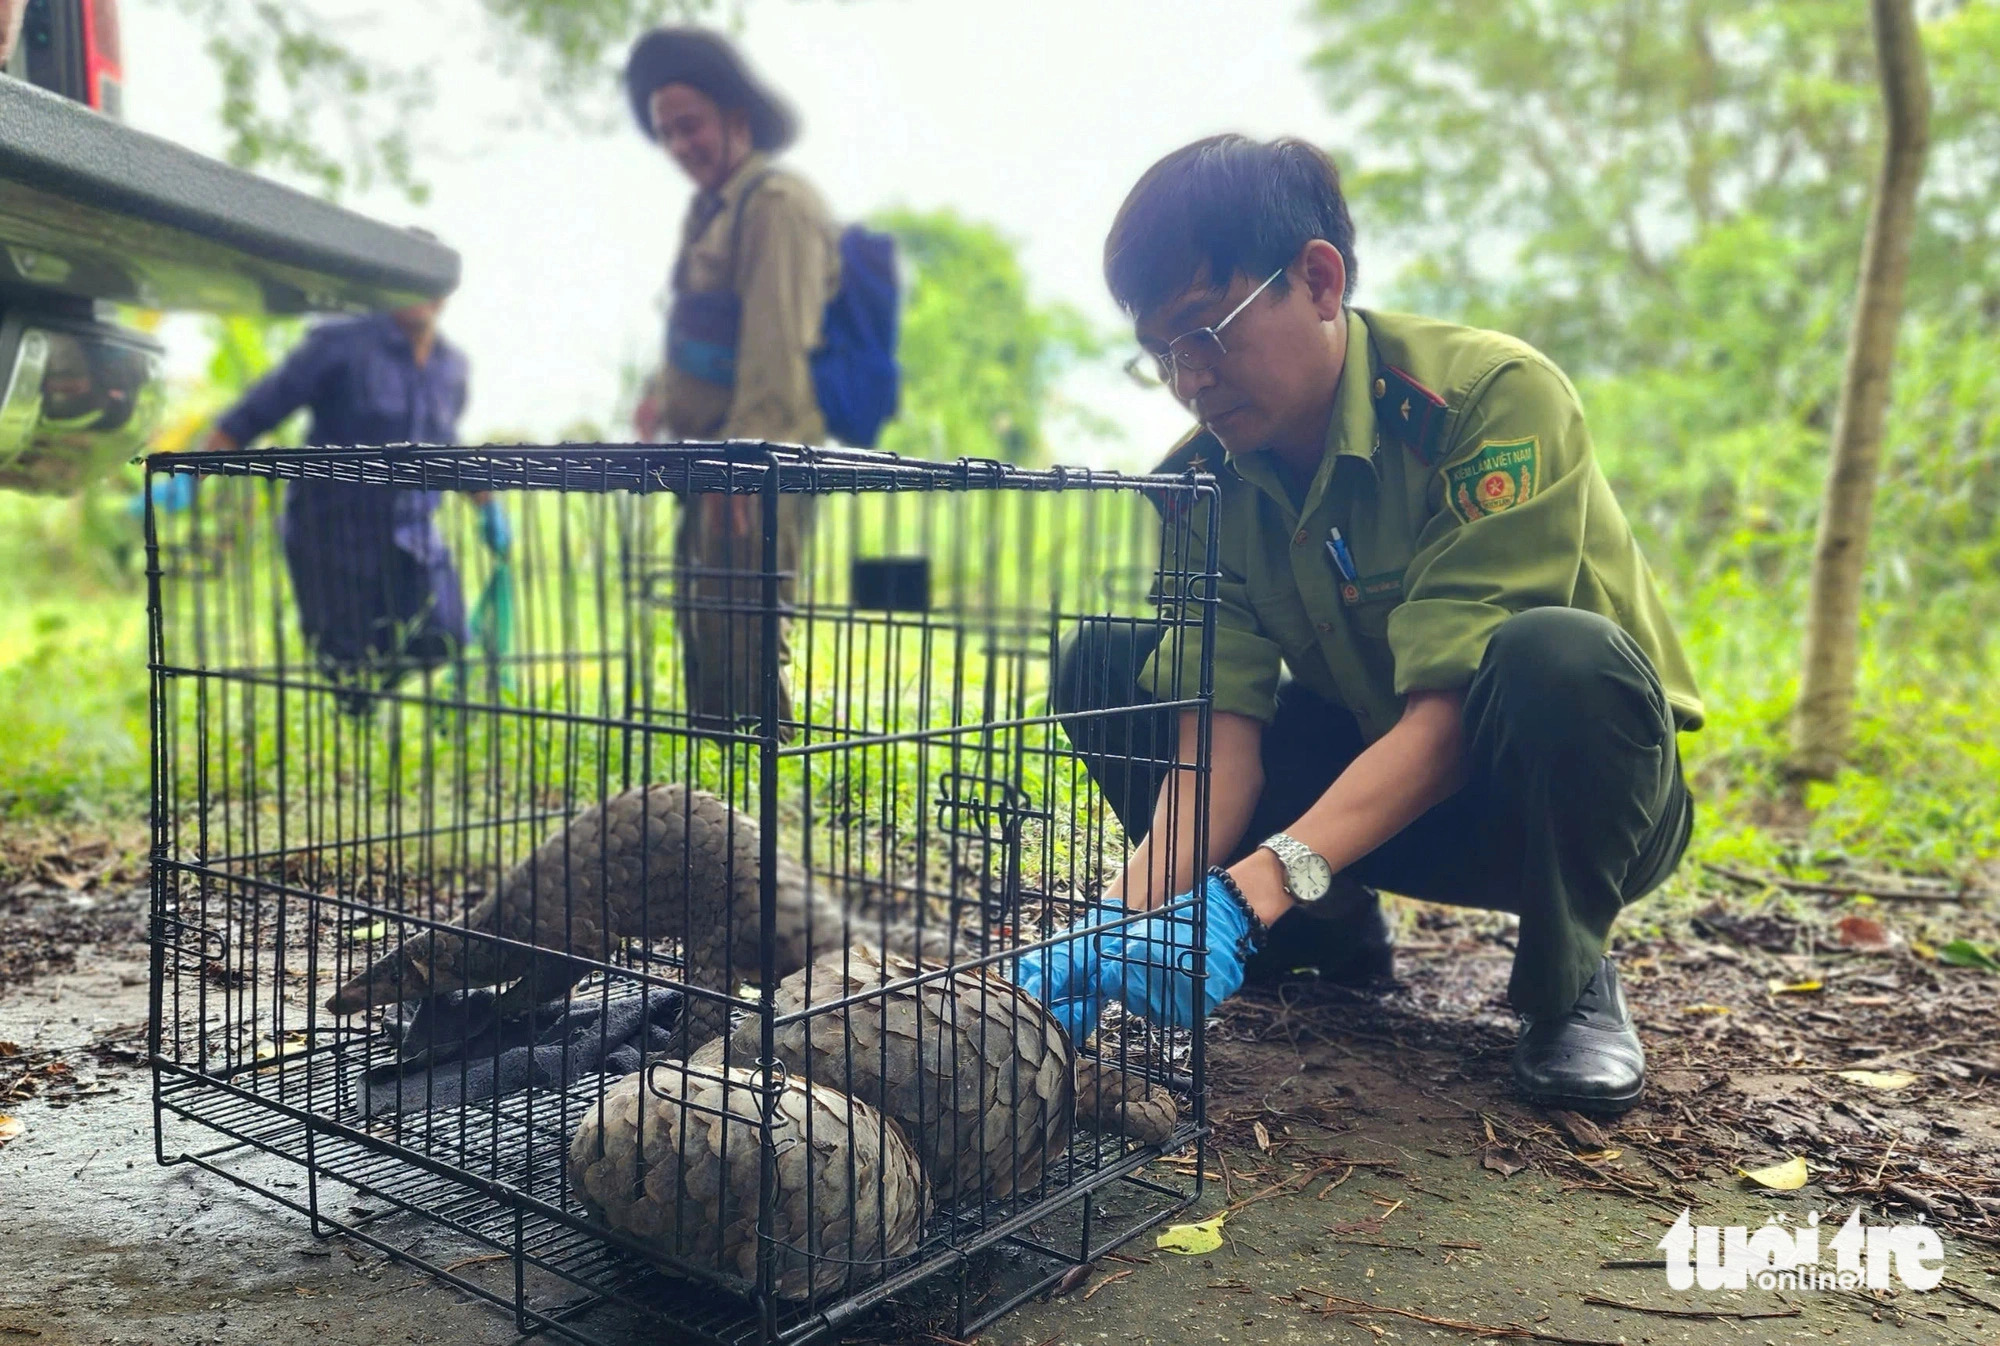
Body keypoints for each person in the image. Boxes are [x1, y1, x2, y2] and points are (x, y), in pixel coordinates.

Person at [1021, 136, 1703, 1114]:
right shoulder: (1199, 483)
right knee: (1108, 666)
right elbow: (1217, 740)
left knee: (1557, 655)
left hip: (1559, 803)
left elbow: (1452, 709)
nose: (1188, 377)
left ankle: (1569, 973)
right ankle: (1323, 931)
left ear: (1317, 278)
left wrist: (1252, 880)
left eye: (1205, 331)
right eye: (1161, 354)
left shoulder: (1486, 403)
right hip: (1375, 794)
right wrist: (1109, 919)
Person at [624, 26, 839, 737]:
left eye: (690, 126)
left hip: (754, 461)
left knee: (747, 629)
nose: (680, 145)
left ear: (736, 119)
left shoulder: (777, 203)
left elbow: (777, 350)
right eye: (666, 133)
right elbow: (702, 325)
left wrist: (744, 468)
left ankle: (760, 801)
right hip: (703, 458)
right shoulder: (706, 209)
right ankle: (715, 793)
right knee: (705, 625)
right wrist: (661, 395)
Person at [206, 294, 507, 710]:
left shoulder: (452, 366)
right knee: (347, 662)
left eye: (429, 285)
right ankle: (360, 724)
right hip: (333, 530)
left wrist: (486, 504)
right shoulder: (339, 343)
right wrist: (190, 472)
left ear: (444, 295)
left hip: (412, 531)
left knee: (445, 634)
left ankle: (376, 689)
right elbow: (258, 410)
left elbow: (446, 443)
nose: (419, 297)